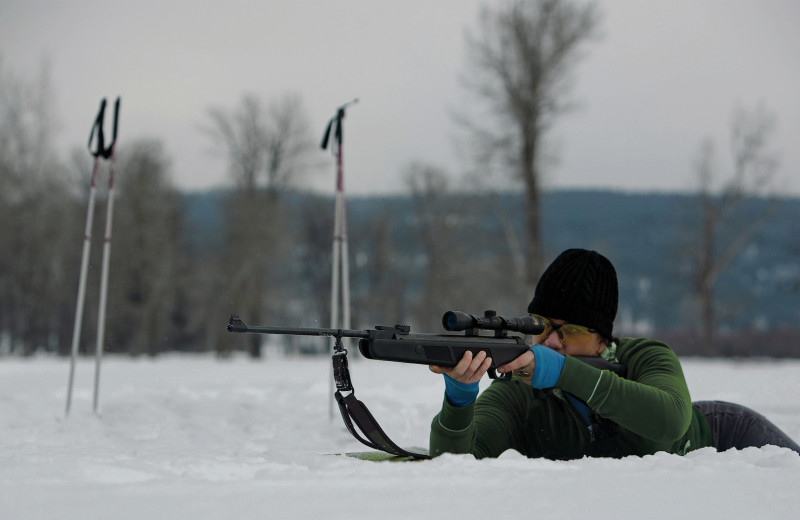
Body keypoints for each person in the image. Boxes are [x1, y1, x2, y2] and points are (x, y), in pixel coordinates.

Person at [429, 248, 800, 459]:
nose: (553, 341)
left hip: (726, 434)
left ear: (603, 340)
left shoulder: (645, 356)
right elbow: (459, 461)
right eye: (541, 325)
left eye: (570, 330)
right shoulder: (519, 387)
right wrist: (459, 401)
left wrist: (561, 372)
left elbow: (670, 421)